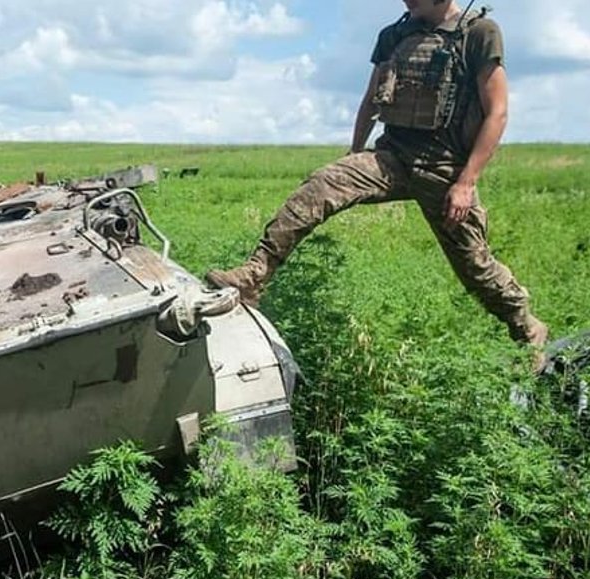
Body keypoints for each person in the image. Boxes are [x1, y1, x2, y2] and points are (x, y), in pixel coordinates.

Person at [206, 0, 549, 353]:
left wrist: (466, 182)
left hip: (445, 169)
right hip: (393, 157)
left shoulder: (479, 33)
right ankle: (254, 276)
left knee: (475, 267)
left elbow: (498, 112)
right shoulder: (394, 35)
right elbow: (371, 101)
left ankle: (528, 328)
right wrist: (353, 157)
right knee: (321, 184)